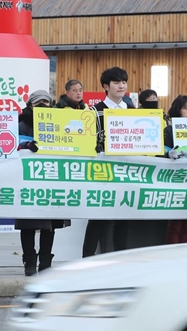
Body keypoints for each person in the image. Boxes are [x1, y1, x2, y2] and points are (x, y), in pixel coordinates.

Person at [14, 89, 69, 276]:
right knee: (27, 224)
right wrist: (26, 147)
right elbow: (12, 146)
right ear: (30, 105)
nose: (43, 106)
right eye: (38, 103)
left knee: (50, 225)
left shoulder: (57, 124)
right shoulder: (21, 125)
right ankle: (29, 261)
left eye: (46, 103)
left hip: (51, 180)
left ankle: (45, 261)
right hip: (28, 181)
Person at [82, 67, 135, 257]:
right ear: (106, 86)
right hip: (102, 172)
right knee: (98, 218)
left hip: (127, 171)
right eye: (116, 82)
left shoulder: (132, 111)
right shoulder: (94, 112)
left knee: (123, 218)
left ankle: (121, 259)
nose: (122, 86)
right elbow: (89, 143)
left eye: (124, 82)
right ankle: (87, 259)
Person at [163, 95, 187, 244]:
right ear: (178, 111)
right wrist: (168, 153)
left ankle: (184, 257)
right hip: (176, 178)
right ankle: (172, 257)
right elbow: (162, 148)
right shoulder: (169, 130)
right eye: (186, 108)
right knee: (176, 223)